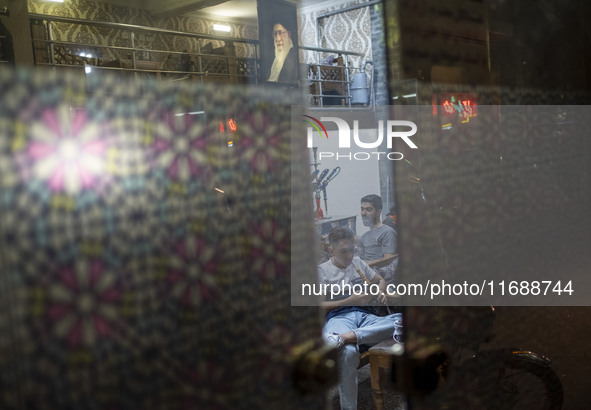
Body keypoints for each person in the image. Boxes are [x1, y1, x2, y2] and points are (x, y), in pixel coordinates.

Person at [318, 226, 402, 410]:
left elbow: (379, 279)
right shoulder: (322, 271)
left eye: (351, 250)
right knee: (348, 353)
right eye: (343, 251)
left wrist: (379, 289)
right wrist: (348, 300)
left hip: (365, 317)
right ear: (331, 250)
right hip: (339, 317)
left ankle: (344, 338)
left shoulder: (358, 262)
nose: (349, 255)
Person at [358, 195, 398, 284]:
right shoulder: (365, 235)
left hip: (377, 277)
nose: (363, 213)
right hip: (362, 274)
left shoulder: (387, 232)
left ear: (378, 212)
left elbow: (389, 260)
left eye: (368, 209)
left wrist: (364, 264)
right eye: (362, 209)